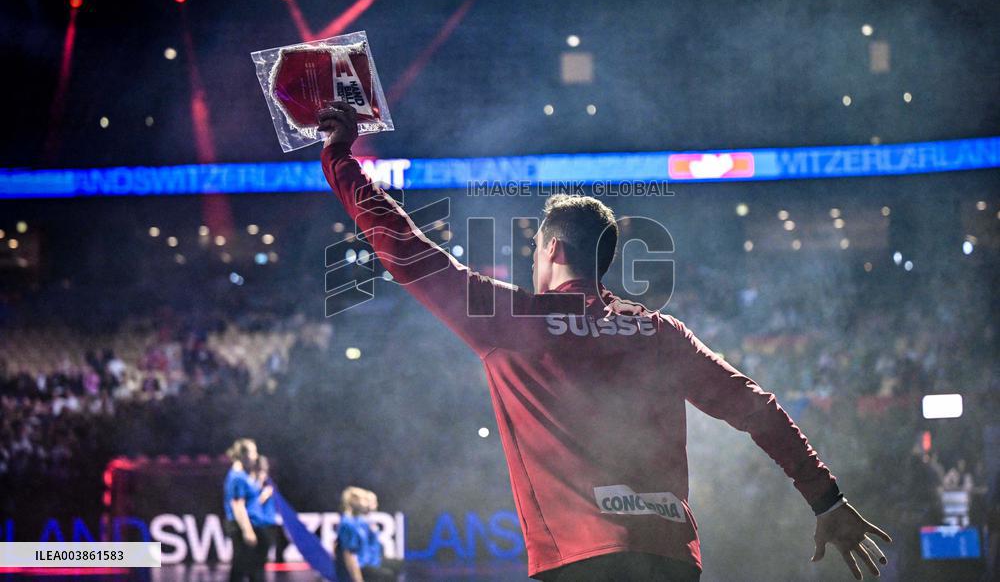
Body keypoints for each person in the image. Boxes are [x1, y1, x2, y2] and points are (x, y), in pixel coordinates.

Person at [317, 102, 892, 581]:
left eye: (534, 251)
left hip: (579, 563)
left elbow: (404, 246)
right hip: (671, 562)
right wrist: (826, 499)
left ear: (553, 250)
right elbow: (756, 407)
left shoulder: (516, 318)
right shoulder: (660, 331)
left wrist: (339, 158)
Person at [223, 438, 265, 582]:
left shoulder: (245, 475)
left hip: (251, 524)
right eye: (253, 452)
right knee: (240, 568)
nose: (256, 456)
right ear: (243, 455)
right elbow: (238, 505)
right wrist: (247, 531)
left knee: (252, 568)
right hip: (241, 527)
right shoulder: (237, 477)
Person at [335, 487, 397, 582]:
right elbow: (349, 555)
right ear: (354, 501)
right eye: (363, 500)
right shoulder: (347, 524)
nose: (366, 503)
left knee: (397, 567)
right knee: (388, 575)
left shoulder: (360, 522)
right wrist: (358, 579)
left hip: (366, 563)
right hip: (358, 568)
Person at [249, 456, 280, 568]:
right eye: (261, 471)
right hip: (258, 524)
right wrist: (263, 496)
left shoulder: (269, 486)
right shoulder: (252, 486)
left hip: (269, 523)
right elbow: (251, 505)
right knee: (256, 556)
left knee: (265, 555)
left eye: (265, 472)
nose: (263, 475)